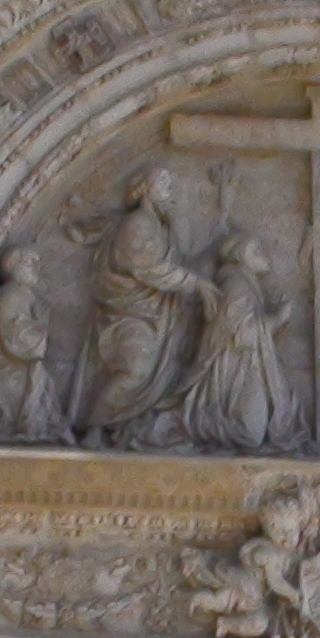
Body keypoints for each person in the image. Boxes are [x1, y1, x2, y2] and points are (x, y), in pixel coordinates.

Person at [81, 167, 207, 446]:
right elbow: (144, 266)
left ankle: (128, 428)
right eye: (164, 186)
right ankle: (94, 426)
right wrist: (194, 283)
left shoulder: (159, 227)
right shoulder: (136, 224)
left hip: (156, 315)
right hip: (130, 313)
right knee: (136, 369)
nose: (170, 194)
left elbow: (174, 261)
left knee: (161, 373)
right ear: (147, 190)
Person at [180, 233, 303, 453]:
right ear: (241, 257)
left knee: (255, 432)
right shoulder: (237, 286)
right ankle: (206, 426)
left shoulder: (246, 285)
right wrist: (278, 318)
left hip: (248, 367)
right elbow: (241, 335)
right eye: (256, 251)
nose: (264, 256)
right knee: (251, 433)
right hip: (236, 370)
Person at [0, 243, 67, 443]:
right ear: (14, 265)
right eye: (30, 262)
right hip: (11, 371)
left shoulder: (22, 294)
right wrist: (41, 327)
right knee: (15, 409)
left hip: (19, 368)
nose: (35, 267)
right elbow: (15, 336)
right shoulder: (12, 293)